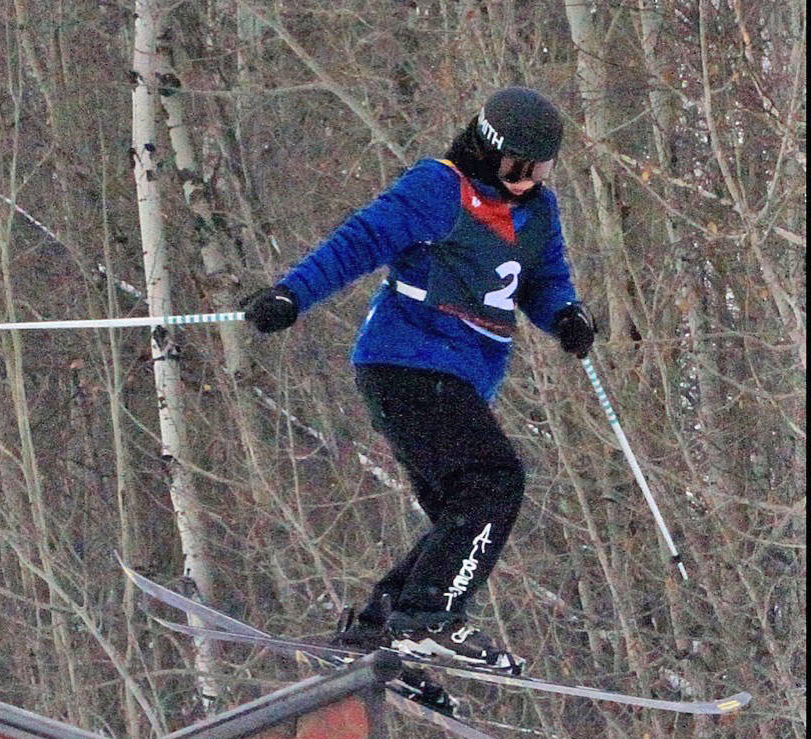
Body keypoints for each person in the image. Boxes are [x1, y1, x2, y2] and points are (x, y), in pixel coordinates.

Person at [241, 87, 594, 672]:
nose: (526, 181)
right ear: (487, 150)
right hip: (407, 362)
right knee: (493, 480)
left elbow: (543, 279)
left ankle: (380, 630)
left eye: (539, 170)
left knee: (465, 506)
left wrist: (565, 315)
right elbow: (358, 243)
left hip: (458, 376)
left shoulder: (538, 212)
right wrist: (290, 295)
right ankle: (429, 618)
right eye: (515, 168)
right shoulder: (440, 187)